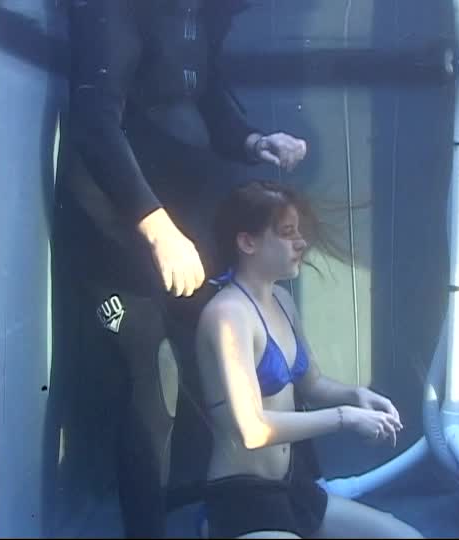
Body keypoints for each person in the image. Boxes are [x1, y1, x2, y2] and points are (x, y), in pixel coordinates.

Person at [46, 0, 307, 538]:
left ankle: (261, 510)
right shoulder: (120, 10)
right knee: (154, 380)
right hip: (117, 240)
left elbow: (200, 95)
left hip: (181, 230)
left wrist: (254, 141)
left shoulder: (202, 13)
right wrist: (158, 231)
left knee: (239, 350)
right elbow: (95, 126)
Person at [194, 181, 424, 538]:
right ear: (247, 243)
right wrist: (346, 417)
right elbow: (253, 430)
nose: (301, 243)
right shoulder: (227, 315)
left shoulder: (282, 301)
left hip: (294, 489)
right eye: (288, 233)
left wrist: (356, 395)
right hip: (244, 499)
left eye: (299, 232)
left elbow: (312, 383)